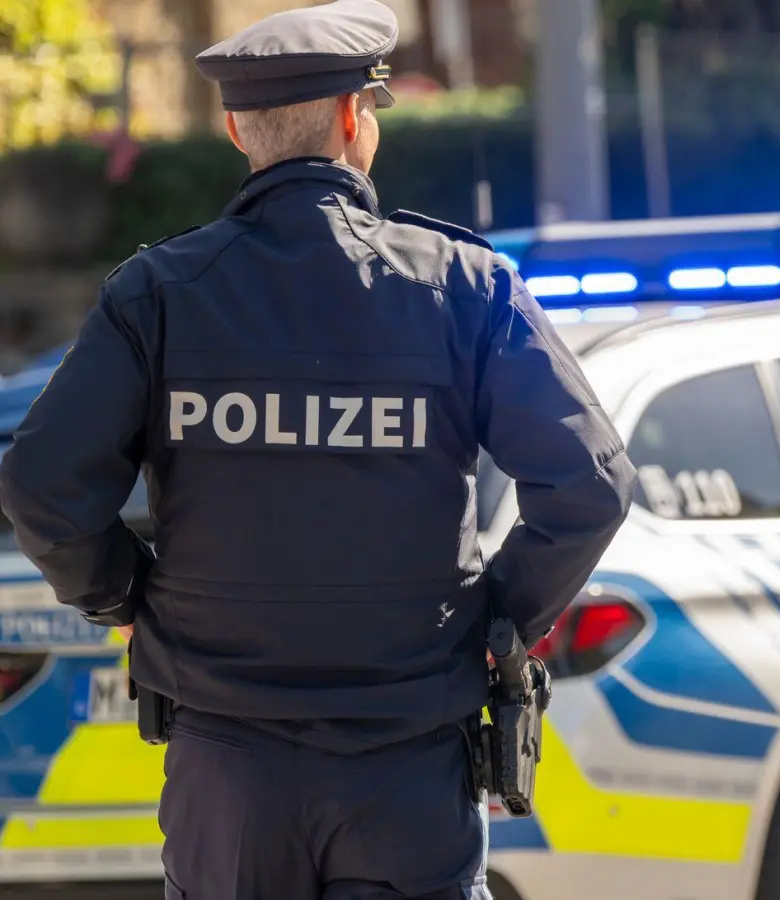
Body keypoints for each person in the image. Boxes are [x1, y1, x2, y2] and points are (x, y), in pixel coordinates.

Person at [0, 1, 636, 897]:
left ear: (232, 129)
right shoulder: (460, 287)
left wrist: (129, 598)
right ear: (352, 118)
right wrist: (498, 619)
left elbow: (40, 485)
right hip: (408, 768)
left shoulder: (160, 295)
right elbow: (592, 484)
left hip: (227, 769)